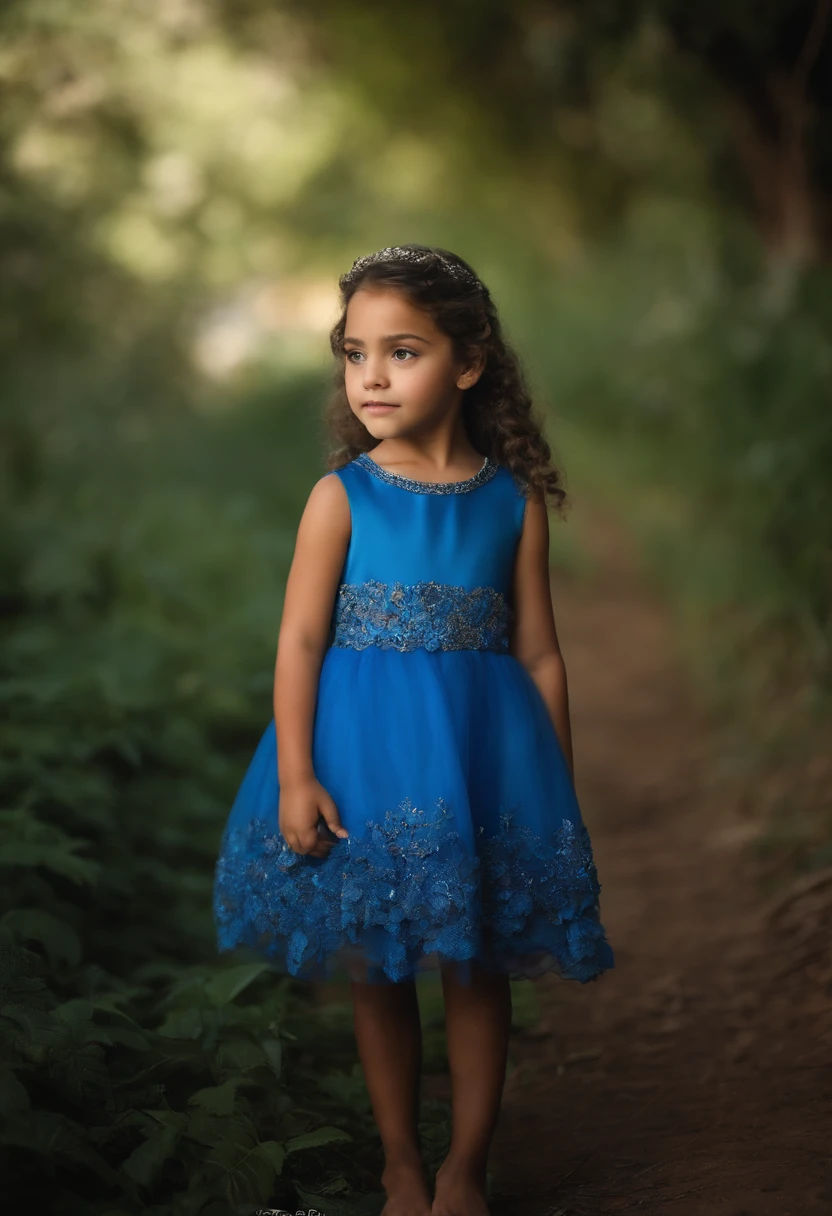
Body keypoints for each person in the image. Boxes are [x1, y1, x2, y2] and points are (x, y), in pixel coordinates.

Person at [213, 243, 615, 1216]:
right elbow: (301, 641)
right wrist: (298, 773)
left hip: (481, 759)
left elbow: (542, 655)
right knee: (378, 961)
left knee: (477, 966)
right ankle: (399, 1160)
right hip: (364, 757)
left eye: (402, 352)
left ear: (467, 361)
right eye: (355, 354)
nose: (373, 378)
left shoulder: (511, 503)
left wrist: (549, 787)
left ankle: (465, 1168)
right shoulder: (340, 498)